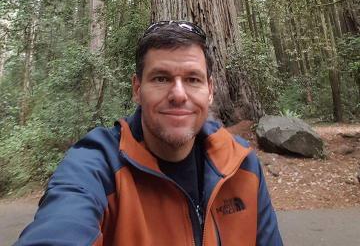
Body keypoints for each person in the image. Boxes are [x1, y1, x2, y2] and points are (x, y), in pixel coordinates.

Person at [15, 20, 283, 245]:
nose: (178, 95)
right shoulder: (97, 166)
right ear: (137, 89)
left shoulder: (242, 166)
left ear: (210, 90)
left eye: (192, 79)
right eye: (161, 78)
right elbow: (61, 225)